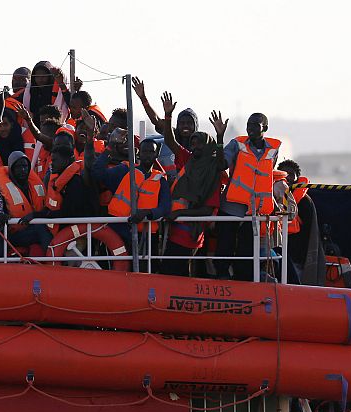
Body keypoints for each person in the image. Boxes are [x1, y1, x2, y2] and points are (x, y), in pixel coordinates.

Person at [159, 95, 228, 277]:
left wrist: (220, 136)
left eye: (200, 143)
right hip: (174, 227)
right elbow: (169, 141)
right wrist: (168, 116)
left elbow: (206, 210)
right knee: (170, 270)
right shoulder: (188, 159)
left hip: (190, 231)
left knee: (178, 272)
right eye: (193, 143)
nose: (195, 146)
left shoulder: (213, 171)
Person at [214, 112, 281, 281]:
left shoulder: (273, 151)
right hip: (232, 205)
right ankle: (222, 275)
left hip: (255, 210)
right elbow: (221, 165)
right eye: (248, 124)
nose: (250, 128)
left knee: (248, 249)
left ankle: (244, 279)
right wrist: (220, 138)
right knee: (225, 244)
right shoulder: (237, 144)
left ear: (264, 128)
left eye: (255, 125)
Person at [93, 133, 171, 248]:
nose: (148, 155)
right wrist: (110, 146)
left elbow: (165, 206)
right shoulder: (124, 171)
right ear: (139, 154)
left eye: (151, 152)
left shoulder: (161, 180)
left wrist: (147, 213)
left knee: (148, 264)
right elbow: (97, 173)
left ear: (156, 155)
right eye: (145, 151)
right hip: (121, 230)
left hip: (146, 235)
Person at [0, 151, 50, 257]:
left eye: (25, 166)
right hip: (13, 232)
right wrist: (0, 215)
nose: (23, 170)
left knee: (41, 228)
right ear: (12, 169)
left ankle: (54, 259)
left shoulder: (33, 184)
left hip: (32, 228)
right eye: (18, 167)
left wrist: (34, 215)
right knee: (40, 228)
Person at [30, 127, 96, 226]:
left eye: (55, 161)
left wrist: (38, 215)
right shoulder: (54, 178)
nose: (52, 164)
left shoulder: (76, 181)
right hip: (56, 224)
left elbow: (68, 214)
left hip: (76, 228)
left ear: (66, 160)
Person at [277, 159, 324, 285]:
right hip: (278, 250)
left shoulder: (304, 202)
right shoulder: (273, 197)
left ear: (297, 177)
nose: (287, 177)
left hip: (297, 254)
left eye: (291, 174)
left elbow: (311, 230)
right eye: (284, 174)